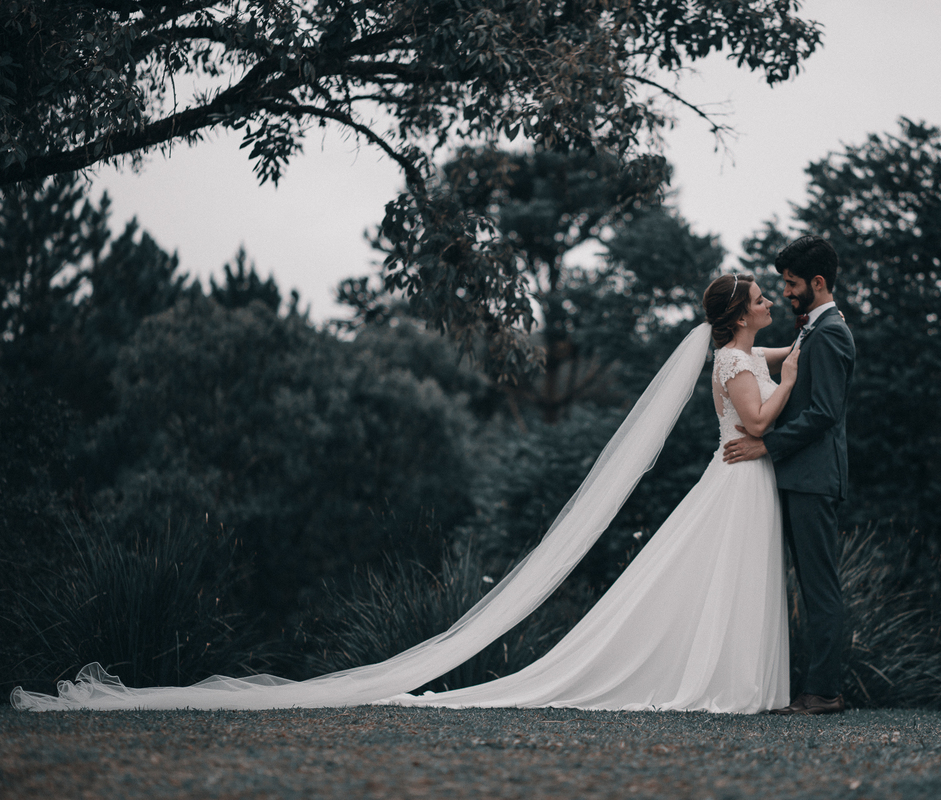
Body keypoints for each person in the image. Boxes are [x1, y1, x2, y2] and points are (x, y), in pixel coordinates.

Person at [11, 273, 801, 714]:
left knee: (721, 581)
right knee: (714, 578)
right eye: (762, 297)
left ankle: (733, 676)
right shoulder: (737, 365)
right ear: (738, 314)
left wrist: (797, 344)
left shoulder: (741, 352)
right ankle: (717, 680)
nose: (770, 300)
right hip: (737, 477)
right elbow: (759, 404)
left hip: (740, 475)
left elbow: (761, 361)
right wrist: (791, 378)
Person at [723, 235, 856, 716]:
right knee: (808, 585)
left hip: (813, 478)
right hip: (799, 476)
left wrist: (765, 444)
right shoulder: (811, 331)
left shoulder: (832, 333)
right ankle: (812, 687)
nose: (785, 292)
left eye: (792, 283)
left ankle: (823, 692)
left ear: (817, 283)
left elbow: (823, 412)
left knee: (820, 587)